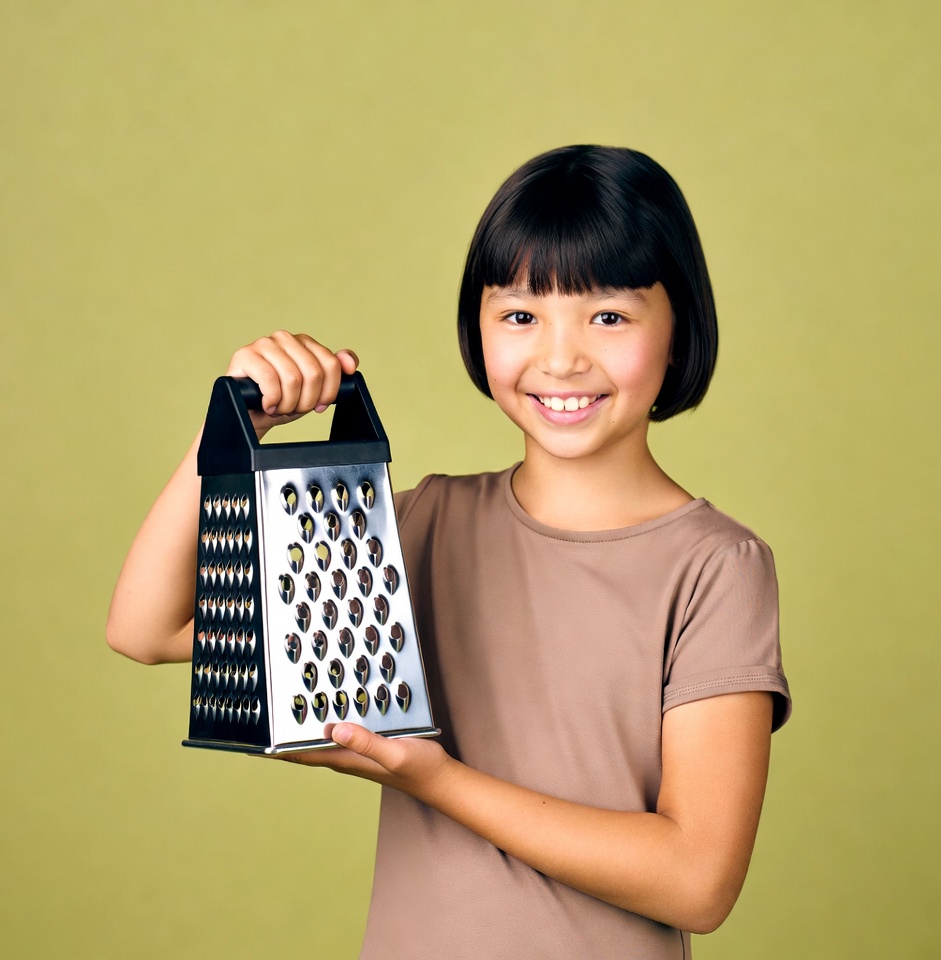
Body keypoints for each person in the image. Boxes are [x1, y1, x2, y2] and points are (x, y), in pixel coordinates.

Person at [107, 145, 791, 959]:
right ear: (478, 329)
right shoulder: (425, 527)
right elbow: (149, 627)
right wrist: (230, 427)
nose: (561, 357)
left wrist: (435, 779)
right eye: (520, 316)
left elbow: (697, 882)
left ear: (678, 332)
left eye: (609, 316)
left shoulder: (717, 568)